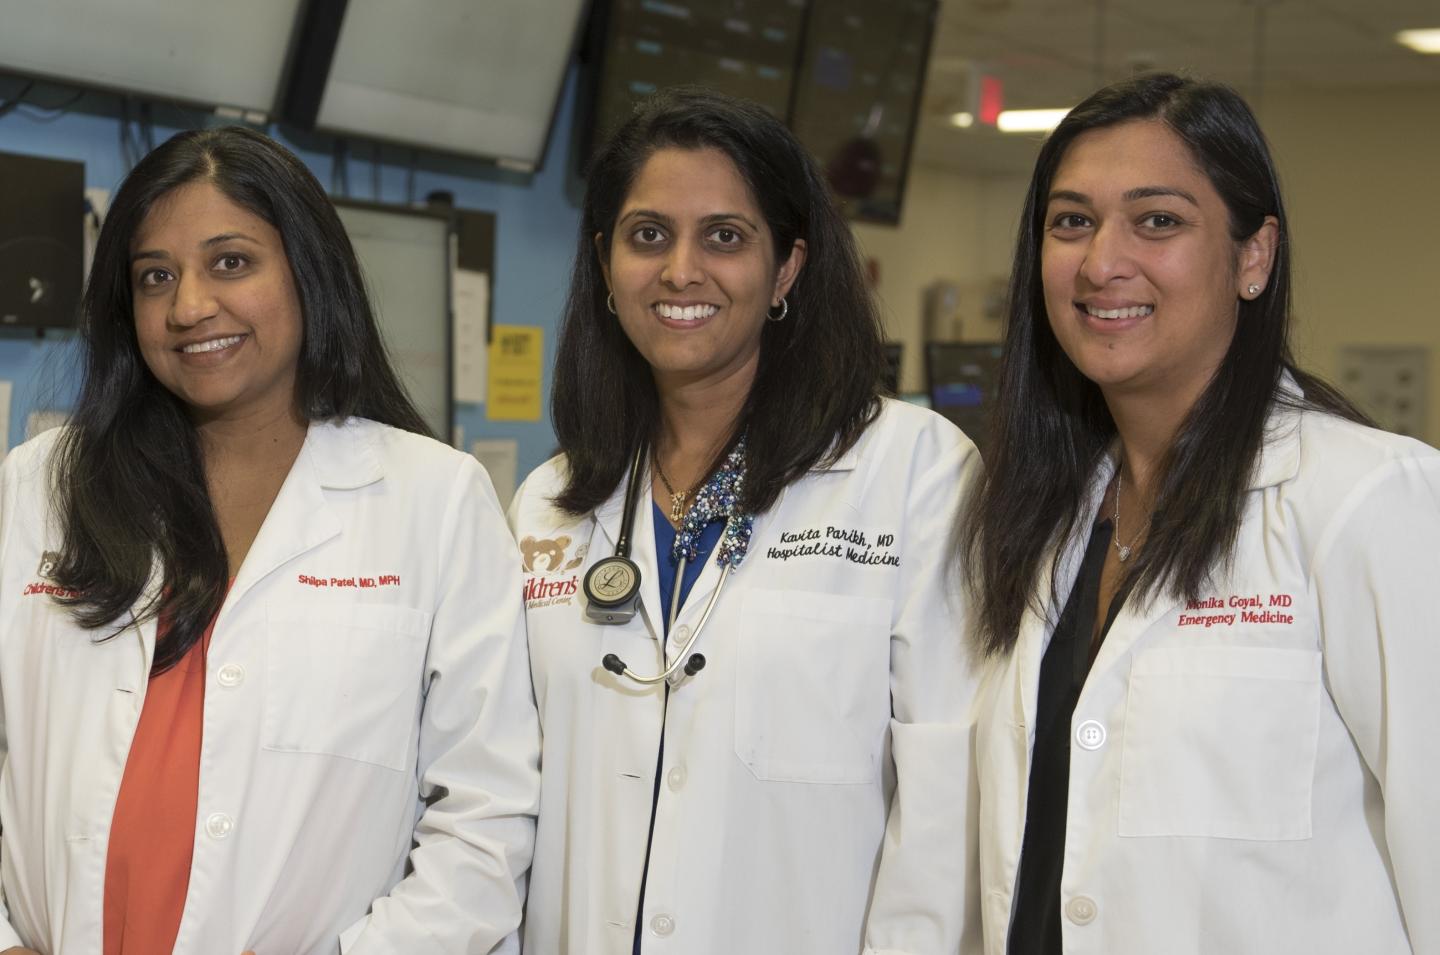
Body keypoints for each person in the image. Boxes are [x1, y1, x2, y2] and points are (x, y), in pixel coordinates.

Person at [0, 127, 539, 955]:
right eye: (156, 277)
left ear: (307, 274)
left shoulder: (432, 500)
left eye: (231, 262)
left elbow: (487, 819)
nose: (188, 307)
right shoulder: (39, 488)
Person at [962, 72, 1440, 954]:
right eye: (1072, 221)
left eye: (1159, 221)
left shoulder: (1370, 499)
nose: (1103, 261)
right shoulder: (1040, 522)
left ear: (1253, 256)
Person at [509, 88, 982, 954]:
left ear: (788, 270)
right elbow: (506, 793)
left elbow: (949, 806)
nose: (681, 270)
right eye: (648, 235)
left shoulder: (913, 472)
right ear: (606, 263)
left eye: (724, 236)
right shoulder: (549, 501)